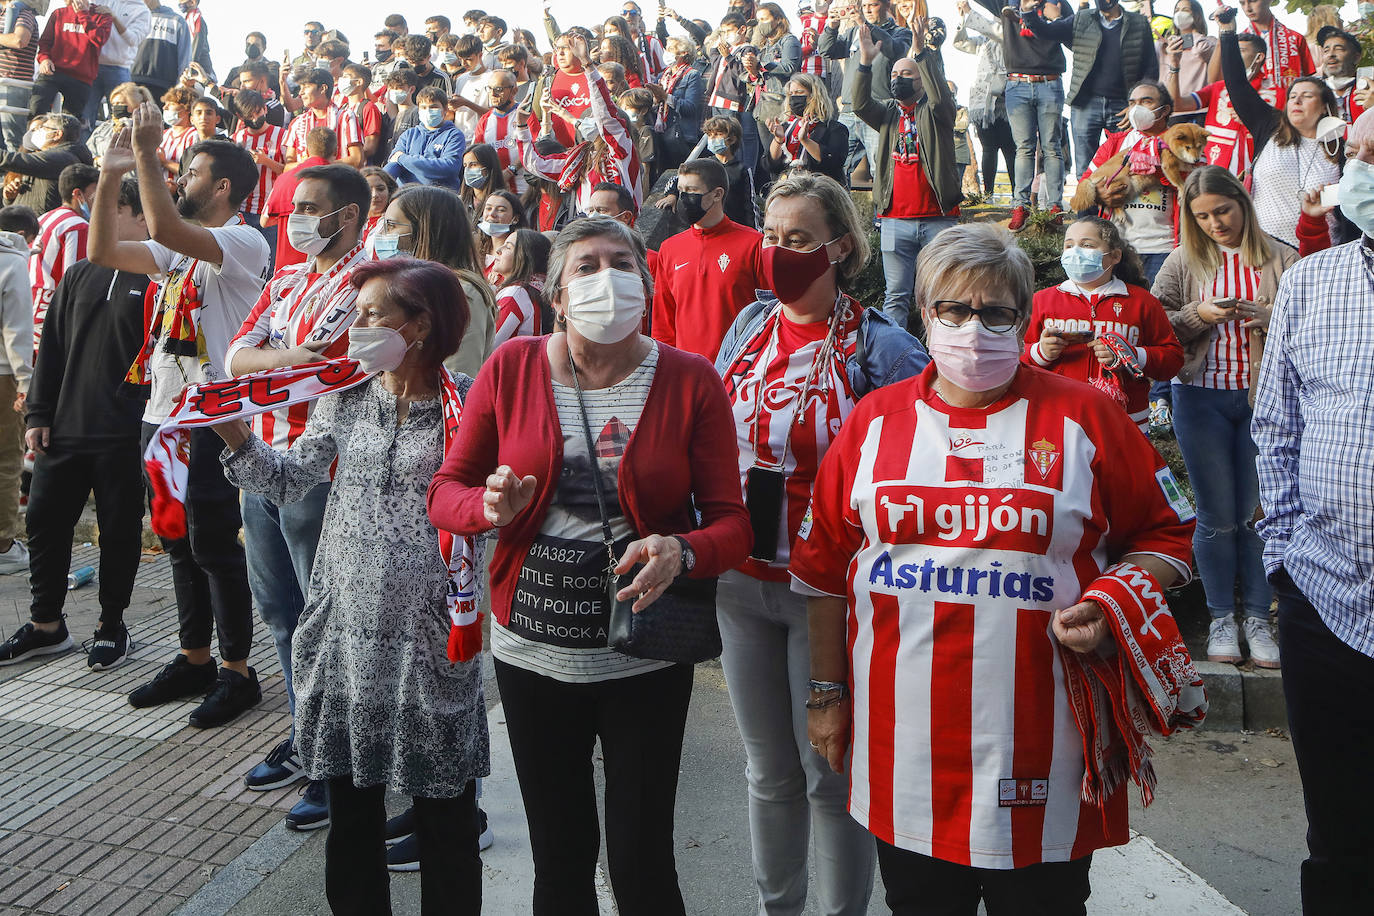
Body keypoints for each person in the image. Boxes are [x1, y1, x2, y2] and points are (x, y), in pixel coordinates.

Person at [793, 221, 1200, 914]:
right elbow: (825, 574)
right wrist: (828, 697)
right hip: (903, 743)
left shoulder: (1087, 417)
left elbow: (1172, 533)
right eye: (953, 307)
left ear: (1022, 317)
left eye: (994, 311)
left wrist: (1111, 600)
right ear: (924, 312)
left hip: (1046, 739)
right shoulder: (871, 423)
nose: (971, 326)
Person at [427, 216, 751, 915]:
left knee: (642, 863)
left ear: (644, 279)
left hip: (644, 656)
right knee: (561, 861)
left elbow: (734, 524)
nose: (607, 278)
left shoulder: (692, 380)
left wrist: (682, 549)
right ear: (557, 292)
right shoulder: (511, 368)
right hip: (532, 658)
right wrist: (488, 509)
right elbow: (445, 492)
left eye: (621, 262)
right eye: (587, 266)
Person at [217, 258, 488, 915]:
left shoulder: (472, 399)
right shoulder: (344, 390)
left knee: (444, 814)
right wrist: (235, 436)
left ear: (419, 325)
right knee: (352, 811)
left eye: (372, 315)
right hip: (342, 629)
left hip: (430, 640)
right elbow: (292, 478)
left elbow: (490, 512)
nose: (355, 325)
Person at [712, 172, 926, 916]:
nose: (777, 253)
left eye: (797, 240)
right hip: (739, 582)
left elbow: (917, 460)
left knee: (828, 773)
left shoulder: (882, 345)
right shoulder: (748, 327)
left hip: (826, 593)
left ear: (839, 247)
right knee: (767, 770)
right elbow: (714, 429)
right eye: (770, 238)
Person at [88, 107, 271, 727]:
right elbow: (104, 248)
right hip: (164, 413)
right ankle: (194, 656)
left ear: (223, 188)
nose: (182, 180)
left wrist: (145, 149)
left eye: (191, 172)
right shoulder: (180, 256)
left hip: (213, 420)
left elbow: (163, 224)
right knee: (175, 539)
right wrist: (113, 174)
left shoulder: (243, 242)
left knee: (214, 543)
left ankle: (237, 672)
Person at [1252, 107, 1374, 916]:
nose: (1353, 166)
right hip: (1325, 601)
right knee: (1338, 837)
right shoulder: (1311, 280)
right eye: (1352, 151)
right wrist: (1285, 560)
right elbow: (1277, 429)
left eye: (1368, 150)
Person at [226, 164, 372, 830]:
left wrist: (278, 357)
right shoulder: (287, 279)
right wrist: (289, 357)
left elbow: (333, 363)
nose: (295, 220)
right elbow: (234, 358)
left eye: (310, 208)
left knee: (324, 618)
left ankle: (334, 760)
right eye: (291, 210)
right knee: (282, 612)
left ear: (348, 215)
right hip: (258, 460)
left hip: (319, 472)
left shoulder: (369, 282)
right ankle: (306, 731)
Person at [0, 179, 147, 667]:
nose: (97, 220)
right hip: (64, 428)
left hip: (124, 432)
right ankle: (47, 624)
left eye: (113, 209)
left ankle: (112, 624)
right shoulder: (79, 272)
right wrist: (38, 414)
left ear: (141, 217)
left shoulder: (157, 280)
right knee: (43, 521)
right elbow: (53, 349)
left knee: (120, 530)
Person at [1152, 164, 1294, 667]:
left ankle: (1257, 617)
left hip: (1264, 403)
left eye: (1223, 211)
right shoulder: (1183, 260)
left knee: (1259, 514)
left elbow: (1310, 325)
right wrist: (1199, 316)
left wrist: (1267, 316)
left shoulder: (1281, 256)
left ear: (1243, 203)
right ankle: (1220, 618)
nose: (1216, 223)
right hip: (1200, 398)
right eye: (1203, 216)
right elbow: (1155, 327)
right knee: (1215, 515)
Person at [1026, 215, 1184, 431]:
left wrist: (1133, 355)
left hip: (1126, 422)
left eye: (1087, 245)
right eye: (1069, 245)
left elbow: (1172, 360)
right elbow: (1013, 355)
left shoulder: (1142, 302)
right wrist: (1040, 352)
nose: (1075, 252)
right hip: (1059, 419)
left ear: (1115, 256)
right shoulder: (1042, 300)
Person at [854, 18, 960, 331]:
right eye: (895, 74)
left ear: (922, 81)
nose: (899, 79)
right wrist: (864, 62)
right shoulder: (887, 112)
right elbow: (859, 104)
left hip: (938, 220)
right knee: (896, 296)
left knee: (942, 295)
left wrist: (922, 52)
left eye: (907, 74)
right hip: (895, 220)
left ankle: (942, 354)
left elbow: (941, 97)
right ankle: (896, 359)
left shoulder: (937, 111)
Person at [1215, 11, 1343, 250]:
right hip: (1266, 251)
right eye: (1292, 96)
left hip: (1322, 252)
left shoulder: (1341, 146)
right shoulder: (1269, 126)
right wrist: (1227, 32)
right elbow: (1237, 84)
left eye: (1306, 96)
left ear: (1325, 106)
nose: (1296, 101)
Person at [1021, 0, 1159, 180]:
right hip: (1085, 104)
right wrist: (1027, 12)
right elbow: (1046, 32)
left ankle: (1113, 209)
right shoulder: (1081, 19)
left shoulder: (1138, 24)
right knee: (1085, 170)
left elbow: (1150, 69)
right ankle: (1086, 209)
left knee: (1125, 166)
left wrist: (1137, 105)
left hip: (1123, 107)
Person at [372, 185, 495, 379]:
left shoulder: (460, 292)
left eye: (392, 226)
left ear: (425, 231)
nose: (382, 235)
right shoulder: (408, 285)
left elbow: (457, 376)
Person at [653, 158, 764, 360]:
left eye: (691, 190)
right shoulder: (669, 249)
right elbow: (663, 320)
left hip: (738, 367)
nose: (683, 197)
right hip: (687, 370)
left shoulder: (754, 244)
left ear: (717, 194)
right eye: (680, 190)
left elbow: (769, 311)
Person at [519, 42, 639, 226]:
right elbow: (534, 163)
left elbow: (606, 115)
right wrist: (521, 126)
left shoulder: (622, 151)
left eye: (593, 117)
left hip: (619, 232)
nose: (588, 121)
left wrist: (588, 65)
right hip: (586, 231)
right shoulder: (579, 158)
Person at [1076, 81, 1181, 283]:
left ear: (1165, 109)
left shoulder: (1180, 141)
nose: (1137, 108)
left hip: (1163, 249)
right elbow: (1084, 188)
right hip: (1117, 250)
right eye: (1132, 103)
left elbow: (1193, 185)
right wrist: (1099, 194)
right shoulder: (1114, 144)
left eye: (1146, 101)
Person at [820, 0, 914, 182]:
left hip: (879, 111)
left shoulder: (900, 32)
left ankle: (883, 211)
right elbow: (826, 50)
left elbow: (894, 49)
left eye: (874, 5)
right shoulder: (853, 32)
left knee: (882, 170)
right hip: (849, 110)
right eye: (864, 6)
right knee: (834, 169)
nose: (868, 10)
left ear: (887, 6)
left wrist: (865, 24)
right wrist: (831, 27)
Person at [1001, 0, 1069, 230]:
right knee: (1024, 147)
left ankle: (1054, 206)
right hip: (1016, 82)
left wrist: (1056, 18)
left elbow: (1071, 34)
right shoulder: (1008, 3)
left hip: (1050, 81)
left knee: (1052, 145)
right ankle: (1021, 205)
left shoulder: (1056, 3)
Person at [31, 163, 98, 357]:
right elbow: (75, 282)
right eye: (95, 193)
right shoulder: (77, 226)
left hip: (31, 303)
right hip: (50, 310)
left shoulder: (44, 217)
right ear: (78, 194)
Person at [954, 0, 1017, 199]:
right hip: (983, 104)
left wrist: (971, 12)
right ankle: (988, 193)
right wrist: (963, 18)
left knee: (1010, 149)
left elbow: (996, 31)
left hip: (1006, 102)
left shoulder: (1010, 36)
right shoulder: (983, 42)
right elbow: (960, 43)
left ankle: (1017, 194)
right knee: (988, 149)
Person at [0, 204, 31, 581]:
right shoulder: (13, 261)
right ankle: (4, 545)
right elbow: (17, 331)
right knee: (7, 461)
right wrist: (27, 385)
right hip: (4, 374)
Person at [264, 126, 335, 270]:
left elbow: (264, 220)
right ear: (335, 151)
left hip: (285, 270)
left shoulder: (284, 179)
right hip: (321, 270)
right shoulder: (338, 181)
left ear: (307, 150)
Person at [30, 0, 113, 120]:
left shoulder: (102, 14)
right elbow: (45, 42)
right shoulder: (59, 13)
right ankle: (34, 137)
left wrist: (83, 14)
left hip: (81, 77)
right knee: (36, 112)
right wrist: (44, 59)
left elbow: (99, 39)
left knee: (70, 123)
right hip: (53, 71)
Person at [0, 113, 95, 215]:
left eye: (43, 128)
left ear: (57, 134)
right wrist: (9, 199)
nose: (37, 132)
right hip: (24, 224)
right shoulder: (48, 157)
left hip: (42, 228)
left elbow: (11, 160)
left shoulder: (62, 159)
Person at [764, 72, 848, 183]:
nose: (794, 97)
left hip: (819, 189)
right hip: (786, 187)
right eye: (791, 94)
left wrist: (805, 140)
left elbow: (833, 162)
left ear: (814, 96)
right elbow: (770, 165)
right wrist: (778, 140)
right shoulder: (784, 127)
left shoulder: (834, 129)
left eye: (799, 92)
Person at [231, 88, 286, 256]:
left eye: (258, 112)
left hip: (271, 212)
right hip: (243, 210)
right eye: (249, 115)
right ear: (240, 116)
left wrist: (266, 161)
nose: (255, 118)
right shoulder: (237, 139)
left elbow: (289, 172)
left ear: (265, 109)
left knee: (269, 262)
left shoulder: (282, 135)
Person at [385, 87, 466, 192]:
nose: (428, 111)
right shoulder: (409, 134)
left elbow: (448, 168)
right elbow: (393, 163)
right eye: (423, 107)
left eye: (433, 107)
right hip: (407, 197)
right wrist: (380, 180)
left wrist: (403, 159)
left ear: (445, 109)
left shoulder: (454, 135)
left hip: (439, 197)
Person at [81, 0, 149, 124]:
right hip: (91, 66)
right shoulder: (98, 1)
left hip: (119, 69)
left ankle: (118, 143)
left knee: (121, 120)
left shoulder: (141, 10)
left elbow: (133, 39)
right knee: (84, 118)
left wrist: (114, 18)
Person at [1221, 0, 1312, 90]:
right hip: (1251, 101)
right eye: (1242, 3)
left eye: (1253, 1)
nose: (1247, 8)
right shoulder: (1238, 43)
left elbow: (1309, 79)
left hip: (1288, 101)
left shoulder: (1295, 38)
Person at [284, 69, 364, 169]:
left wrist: (319, 165)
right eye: (300, 87)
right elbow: (287, 167)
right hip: (307, 182)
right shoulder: (297, 123)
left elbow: (358, 159)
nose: (301, 92)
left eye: (306, 87)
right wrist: (310, 164)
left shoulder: (346, 117)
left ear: (323, 88)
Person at [491, 228, 551, 347]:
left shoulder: (515, 294)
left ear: (524, 257)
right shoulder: (533, 290)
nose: (498, 250)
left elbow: (487, 348)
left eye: (508, 247)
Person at [473, 69, 525, 192]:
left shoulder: (525, 115)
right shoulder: (485, 120)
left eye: (498, 89)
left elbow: (532, 148)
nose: (492, 94)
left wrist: (509, 172)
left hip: (522, 188)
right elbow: (476, 154)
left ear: (514, 91)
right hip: (495, 191)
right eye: (489, 89)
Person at [1158, 0, 1214, 113]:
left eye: (1185, 10)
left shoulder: (1208, 42)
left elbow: (1201, 50)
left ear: (1196, 15)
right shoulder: (1165, 45)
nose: (1179, 14)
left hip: (1194, 108)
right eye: (1176, 10)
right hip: (1168, 111)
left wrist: (1193, 35)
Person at [658, 37, 705, 168]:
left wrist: (666, 97)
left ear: (684, 53)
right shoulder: (664, 76)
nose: (667, 52)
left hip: (682, 135)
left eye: (671, 49)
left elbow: (690, 108)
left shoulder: (692, 75)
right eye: (666, 48)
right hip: (663, 132)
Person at [130, 0, 191, 98]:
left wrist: (179, 89)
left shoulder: (177, 21)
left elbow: (184, 60)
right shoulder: (131, 19)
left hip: (163, 87)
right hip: (131, 83)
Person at [0, 0, 38, 152]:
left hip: (13, 82)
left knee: (14, 138)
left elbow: (20, 40)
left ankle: (17, 174)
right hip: (7, 82)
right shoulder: (5, 14)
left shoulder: (24, 14)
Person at [88, 80, 152, 163]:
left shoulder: (147, 128)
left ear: (136, 105)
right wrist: (97, 160)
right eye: (113, 104)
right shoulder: (104, 128)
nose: (115, 107)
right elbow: (89, 151)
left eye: (120, 103)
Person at [339, 62, 385, 166]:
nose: (342, 80)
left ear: (359, 82)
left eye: (346, 77)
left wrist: (351, 158)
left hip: (360, 167)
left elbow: (370, 147)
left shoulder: (368, 108)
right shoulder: (342, 108)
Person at [475, 189, 525, 277]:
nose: (492, 214)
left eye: (501, 210)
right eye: (488, 208)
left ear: (515, 219)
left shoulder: (519, 253)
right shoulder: (475, 248)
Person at [157, 85, 197, 181]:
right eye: (165, 104)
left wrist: (165, 162)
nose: (164, 107)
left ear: (187, 108)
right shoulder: (162, 134)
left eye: (171, 104)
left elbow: (193, 171)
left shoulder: (194, 135)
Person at [460, 143, 506, 218]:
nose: (467, 170)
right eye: (465, 165)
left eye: (473, 165)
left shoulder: (504, 203)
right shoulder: (458, 203)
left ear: (488, 168)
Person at [360, 165, 395, 242]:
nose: (375, 195)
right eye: (368, 189)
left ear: (390, 191)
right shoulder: (350, 224)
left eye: (380, 189)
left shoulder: (396, 223)